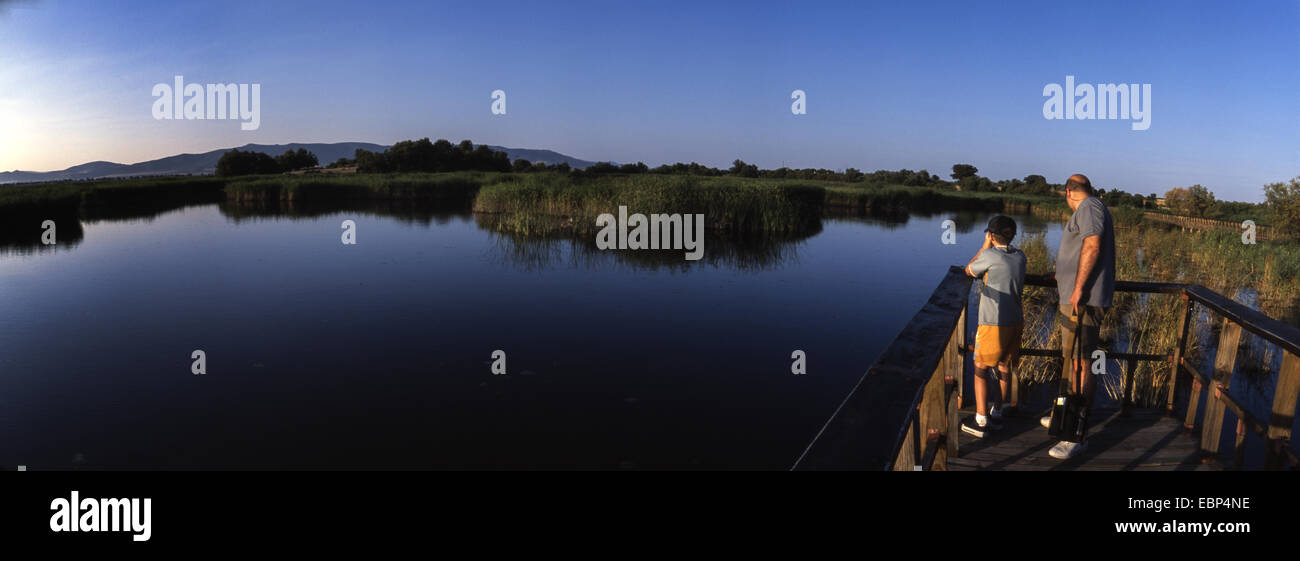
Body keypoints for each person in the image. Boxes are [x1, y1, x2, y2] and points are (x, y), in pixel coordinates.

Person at [1043, 174, 1116, 459]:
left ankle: (1076, 433)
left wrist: (1078, 288)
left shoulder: (1090, 207)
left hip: (1083, 301)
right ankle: (1065, 414)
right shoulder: (1091, 208)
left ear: (1068, 192)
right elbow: (1081, 249)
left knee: (1084, 363)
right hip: (1076, 298)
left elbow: (1093, 245)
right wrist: (1062, 274)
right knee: (1074, 361)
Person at [961, 215, 1027, 439]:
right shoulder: (1021, 256)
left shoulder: (989, 255)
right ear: (1013, 234)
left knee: (980, 367)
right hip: (1016, 320)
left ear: (991, 234)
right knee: (1004, 366)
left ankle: (981, 420)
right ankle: (996, 412)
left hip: (993, 322)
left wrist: (984, 246)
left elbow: (969, 270)